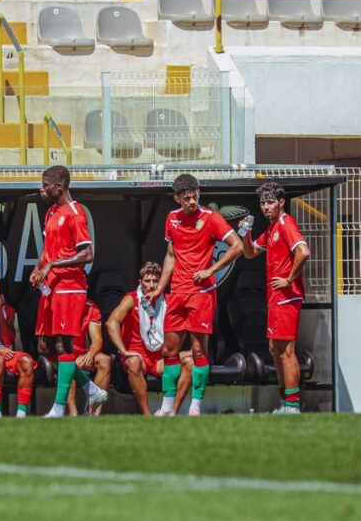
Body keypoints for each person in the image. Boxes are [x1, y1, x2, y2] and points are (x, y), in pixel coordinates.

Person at [150, 173, 244, 417]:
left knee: (198, 351)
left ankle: (195, 406)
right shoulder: (172, 219)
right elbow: (171, 255)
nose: (191, 201)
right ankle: (168, 407)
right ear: (177, 198)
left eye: (194, 196)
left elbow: (237, 246)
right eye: (186, 198)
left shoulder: (211, 218)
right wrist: (160, 287)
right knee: (169, 351)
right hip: (178, 292)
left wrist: (211, 269)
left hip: (201, 294)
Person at [29, 166, 107, 418]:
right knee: (44, 347)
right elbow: (48, 249)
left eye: (45, 184)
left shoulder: (76, 213)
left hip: (70, 287)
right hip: (51, 286)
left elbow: (87, 253)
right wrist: (39, 267)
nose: (42, 189)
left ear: (59, 187)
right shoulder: (51, 212)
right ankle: (90, 387)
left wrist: (53, 264)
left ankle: (59, 407)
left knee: (64, 346)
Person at [240, 181, 310, 414]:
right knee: (274, 349)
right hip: (275, 297)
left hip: (287, 296)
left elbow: (303, 251)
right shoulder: (271, 228)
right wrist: (246, 233)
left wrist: (289, 279)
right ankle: (285, 403)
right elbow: (249, 253)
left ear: (281, 202)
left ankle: (293, 406)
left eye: (270, 202)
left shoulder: (286, 223)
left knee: (286, 350)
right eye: (263, 203)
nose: (266, 207)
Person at [105, 262, 194, 417]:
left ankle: (173, 412)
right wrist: (124, 351)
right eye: (147, 281)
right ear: (140, 282)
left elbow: (185, 325)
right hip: (137, 355)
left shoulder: (167, 301)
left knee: (192, 361)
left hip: (160, 357)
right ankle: (147, 415)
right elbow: (111, 322)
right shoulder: (131, 299)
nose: (151, 285)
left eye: (155, 281)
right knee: (133, 362)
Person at [0, 296, 36, 418]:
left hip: (5, 351)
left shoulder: (8, 310)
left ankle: (21, 413)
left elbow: (7, 341)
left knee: (27, 361)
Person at [65, 299, 113, 416]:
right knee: (68, 363)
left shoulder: (91, 306)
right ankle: (73, 413)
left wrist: (90, 354)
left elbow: (97, 339)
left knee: (105, 361)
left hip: (80, 353)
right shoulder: (60, 301)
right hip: (60, 352)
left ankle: (92, 412)